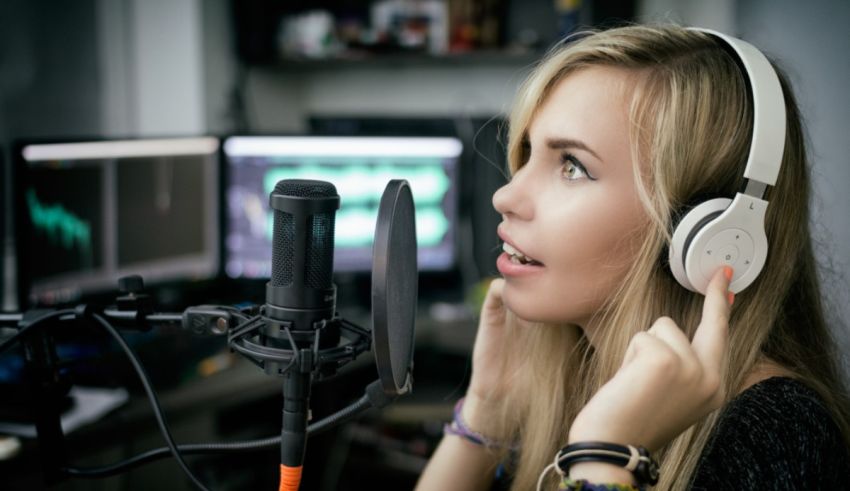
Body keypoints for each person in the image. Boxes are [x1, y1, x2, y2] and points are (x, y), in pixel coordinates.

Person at [415, 24, 850, 490]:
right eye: (526, 152)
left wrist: (605, 452)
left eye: (572, 166)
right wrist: (484, 416)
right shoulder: (570, 387)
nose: (506, 195)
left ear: (708, 230)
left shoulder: (774, 431)